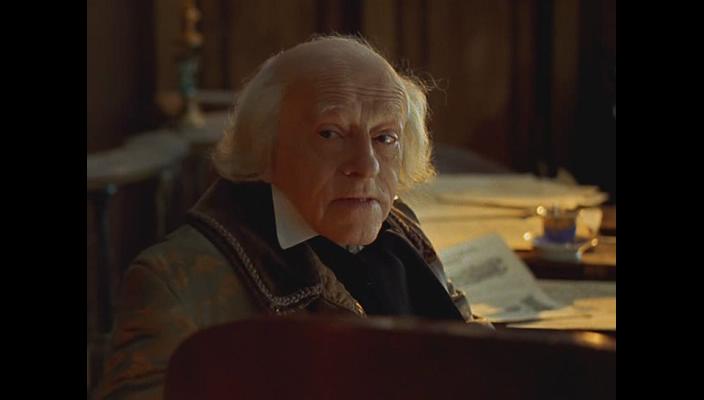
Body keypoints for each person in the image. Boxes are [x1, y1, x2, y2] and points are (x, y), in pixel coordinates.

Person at [96, 35, 491, 400]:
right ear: (265, 147)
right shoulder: (174, 283)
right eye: (330, 133)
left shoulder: (399, 226)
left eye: (384, 137)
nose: (366, 165)